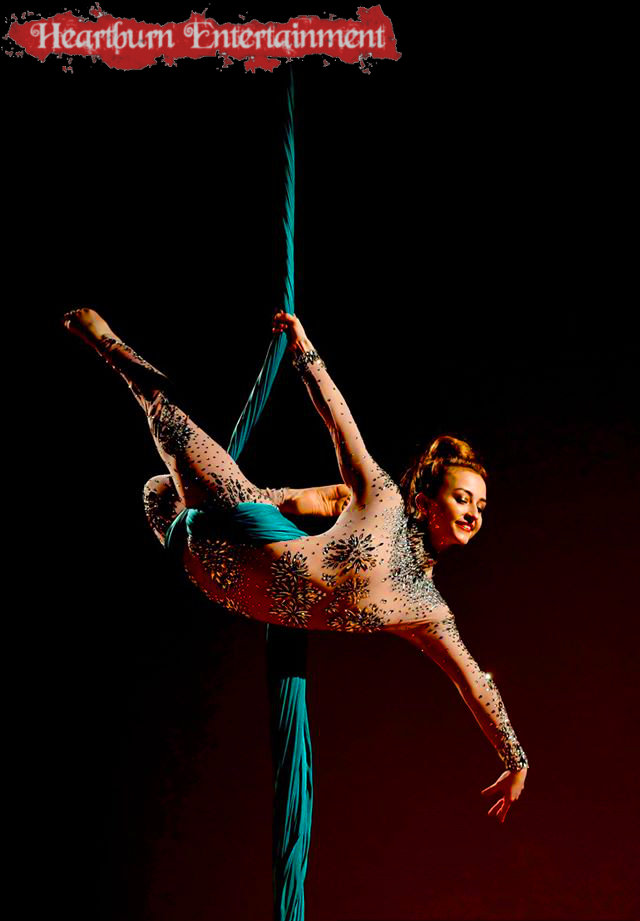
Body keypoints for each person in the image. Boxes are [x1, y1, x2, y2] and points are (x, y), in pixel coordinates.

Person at [63, 307, 528, 823]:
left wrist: (515, 760)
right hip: (237, 529)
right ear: (423, 501)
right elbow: (340, 423)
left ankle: (241, 497)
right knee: (160, 442)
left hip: (216, 579)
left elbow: (473, 682)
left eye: (481, 506)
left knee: (162, 490)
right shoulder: (383, 499)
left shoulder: (428, 611)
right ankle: (107, 342)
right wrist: (303, 351)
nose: (474, 513)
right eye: (463, 499)